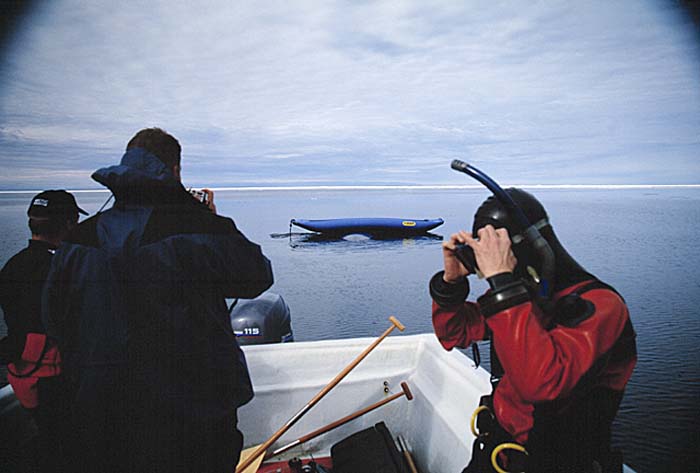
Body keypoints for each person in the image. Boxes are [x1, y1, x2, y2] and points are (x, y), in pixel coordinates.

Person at [42, 128, 273, 473]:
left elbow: (54, 319)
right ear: (175, 171)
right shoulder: (201, 229)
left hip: (104, 414)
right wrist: (205, 216)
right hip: (195, 416)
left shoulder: (77, 241)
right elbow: (257, 276)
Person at [429, 188, 637, 473]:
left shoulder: (603, 307)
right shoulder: (524, 301)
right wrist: (450, 284)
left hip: (556, 462)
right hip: (498, 452)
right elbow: (454, 333)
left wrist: (502, 283)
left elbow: (542, 383)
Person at [0, 190, 87, 473]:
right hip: (58, 380)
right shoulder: (63, 268)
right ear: (68, 223)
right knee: (67, 447)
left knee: (49, 439)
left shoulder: (13, 266)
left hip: (24, 377)